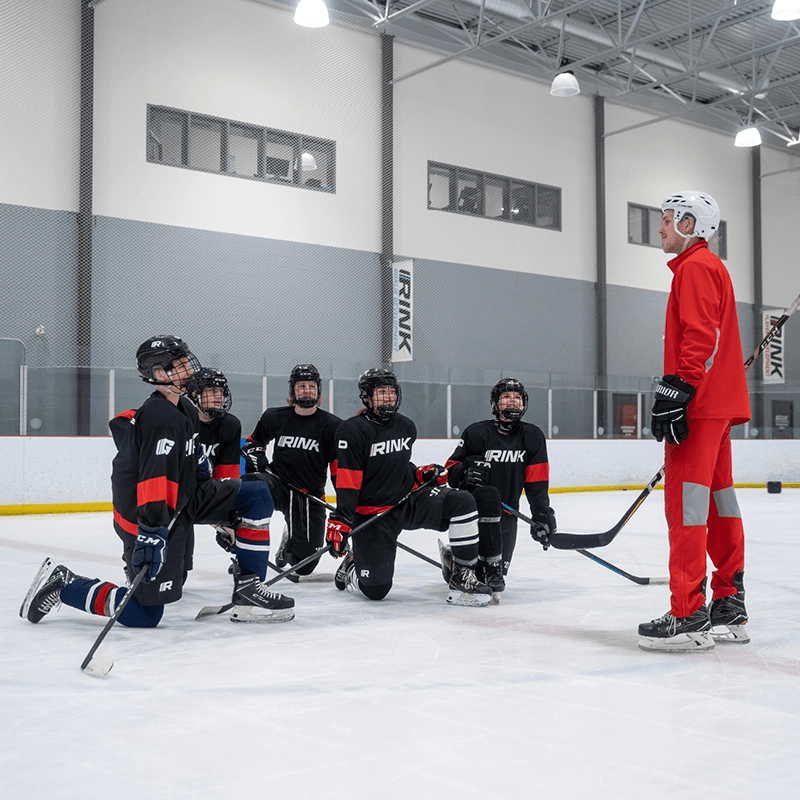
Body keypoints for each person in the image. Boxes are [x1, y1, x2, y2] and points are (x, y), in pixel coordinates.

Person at [20, 336, 293, 627]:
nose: (189, 369)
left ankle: (249, 588)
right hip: (144, 516)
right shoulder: (159, 418)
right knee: (145, 614)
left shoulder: (184, 408)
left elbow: (192, 458)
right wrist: (151, 532)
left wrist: (217, 500)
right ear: (160, 374)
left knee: (256, 492)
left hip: (184, 499)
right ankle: (66, 584)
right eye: (181, 365)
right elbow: (155, 481)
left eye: (187, 362)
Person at [638, 191, 751, 652]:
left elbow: (703, 334)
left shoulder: (695, 267)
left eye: (667, 220)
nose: (661, 228)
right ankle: (728, 604)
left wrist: (679, 387)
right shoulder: (710, 266)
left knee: (686, 510)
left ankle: (687, 615)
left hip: (700, 407)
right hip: (717, 406)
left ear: (689, 224)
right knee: (720, 505)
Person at [325, 368, 492, 606]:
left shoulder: (405, 426)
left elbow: (396, 466)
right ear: (367, 396)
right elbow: (348, 480)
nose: (388, 397)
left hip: (407, 500)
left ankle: (462, 575)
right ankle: (352, 565)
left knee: (462, 502)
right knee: (376, 590)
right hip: (372, 514)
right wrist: (343, 518)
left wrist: (419, 474)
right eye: (381, 392)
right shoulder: (351, 431)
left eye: (392, 391)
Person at [445, 378, 556, 595]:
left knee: (494, 577)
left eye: (517, 397)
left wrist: (542, 515)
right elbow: (450, 469)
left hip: (507, 515)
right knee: (474, 575)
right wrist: (464, 473)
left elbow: (537, 481)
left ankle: (458, 558)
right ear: (495, 404)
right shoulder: (476, 433)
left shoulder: (532, 436)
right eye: (506, 397)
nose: (513, 401)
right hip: (474, 514)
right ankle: (452, 559)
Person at [241, 364, 341, 580]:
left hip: (308, 495)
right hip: (278, 483)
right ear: (293, 390)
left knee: (304, 566)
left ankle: (290, 538)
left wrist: (344, 507)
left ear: (318, 390)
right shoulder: (274, 417)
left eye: (311, 386)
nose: (307, 390)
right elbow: (253, 443)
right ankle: (245, 553)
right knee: (250, 487)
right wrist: (255, 457)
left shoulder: (332, 426)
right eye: (301, 386)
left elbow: (338, 469)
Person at [183, 367, 242, 581]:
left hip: (203, 491)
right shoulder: (181, 419)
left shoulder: (229, 425)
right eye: (212, 391)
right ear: (195, 394)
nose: (219, 397)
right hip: (176, 493)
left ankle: (244, 561)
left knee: (243, 510)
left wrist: (224, 519)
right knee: (178, 573)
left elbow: (226, 477)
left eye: (221, 391)